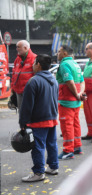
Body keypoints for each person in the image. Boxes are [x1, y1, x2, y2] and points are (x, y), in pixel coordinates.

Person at [19, 54, 59, 182]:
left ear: (38, 65)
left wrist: (23, 122)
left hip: (38, 120)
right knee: (51, 143)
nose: (32, 65)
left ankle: (38, 172)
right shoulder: (54, 79)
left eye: (34, 62)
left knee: (38, 147)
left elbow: (26, 105)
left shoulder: (34, 81)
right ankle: (53, 167)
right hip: (52, 117)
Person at [56, 45, 85, 159]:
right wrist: (80, 94)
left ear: (64, 53)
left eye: (59, 51)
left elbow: (69, 82)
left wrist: (77, 94)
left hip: (66, 101)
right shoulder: (75, 64)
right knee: (75, 123)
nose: (57, 54)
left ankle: (68, 150)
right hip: (75, 101)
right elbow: (82, 82)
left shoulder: (64, 64)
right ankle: (77, 146)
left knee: (67, 125)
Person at [11, 40, 37, 111]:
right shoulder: (17, 59)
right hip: (18, 91)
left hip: (29, 91)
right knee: (21, 112)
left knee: (30, 112)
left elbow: (37, 76)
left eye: (18, 47)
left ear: (25, 48)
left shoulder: (34, 58)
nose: (16, 49)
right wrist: (13, 88)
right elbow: (14, 74)